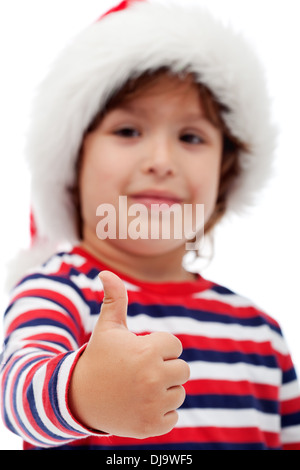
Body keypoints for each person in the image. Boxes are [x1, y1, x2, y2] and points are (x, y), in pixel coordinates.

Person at [1, 0, 300, 451]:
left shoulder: (260, 333)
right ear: (72, 164)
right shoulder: (59, 291)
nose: (161, 162)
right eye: (127, 131)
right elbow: (16, 397)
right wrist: (84, 394)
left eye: (191, 137)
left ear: (225, 176)